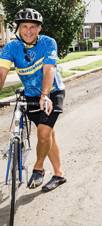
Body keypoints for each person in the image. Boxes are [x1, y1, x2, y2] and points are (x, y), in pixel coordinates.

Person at [0, 8, 66, 192]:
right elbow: (2, 72)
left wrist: (45, 95)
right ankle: (59, 174)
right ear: (18, 29)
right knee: (48, 134)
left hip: (52, 92)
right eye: (24, 27)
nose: (28, 30)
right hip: (30, 95)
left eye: (33, 27)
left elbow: (49, 70)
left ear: (39, 29)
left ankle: (38, 168)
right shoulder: (11, 48)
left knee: (44, 133)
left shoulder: (48, 43)